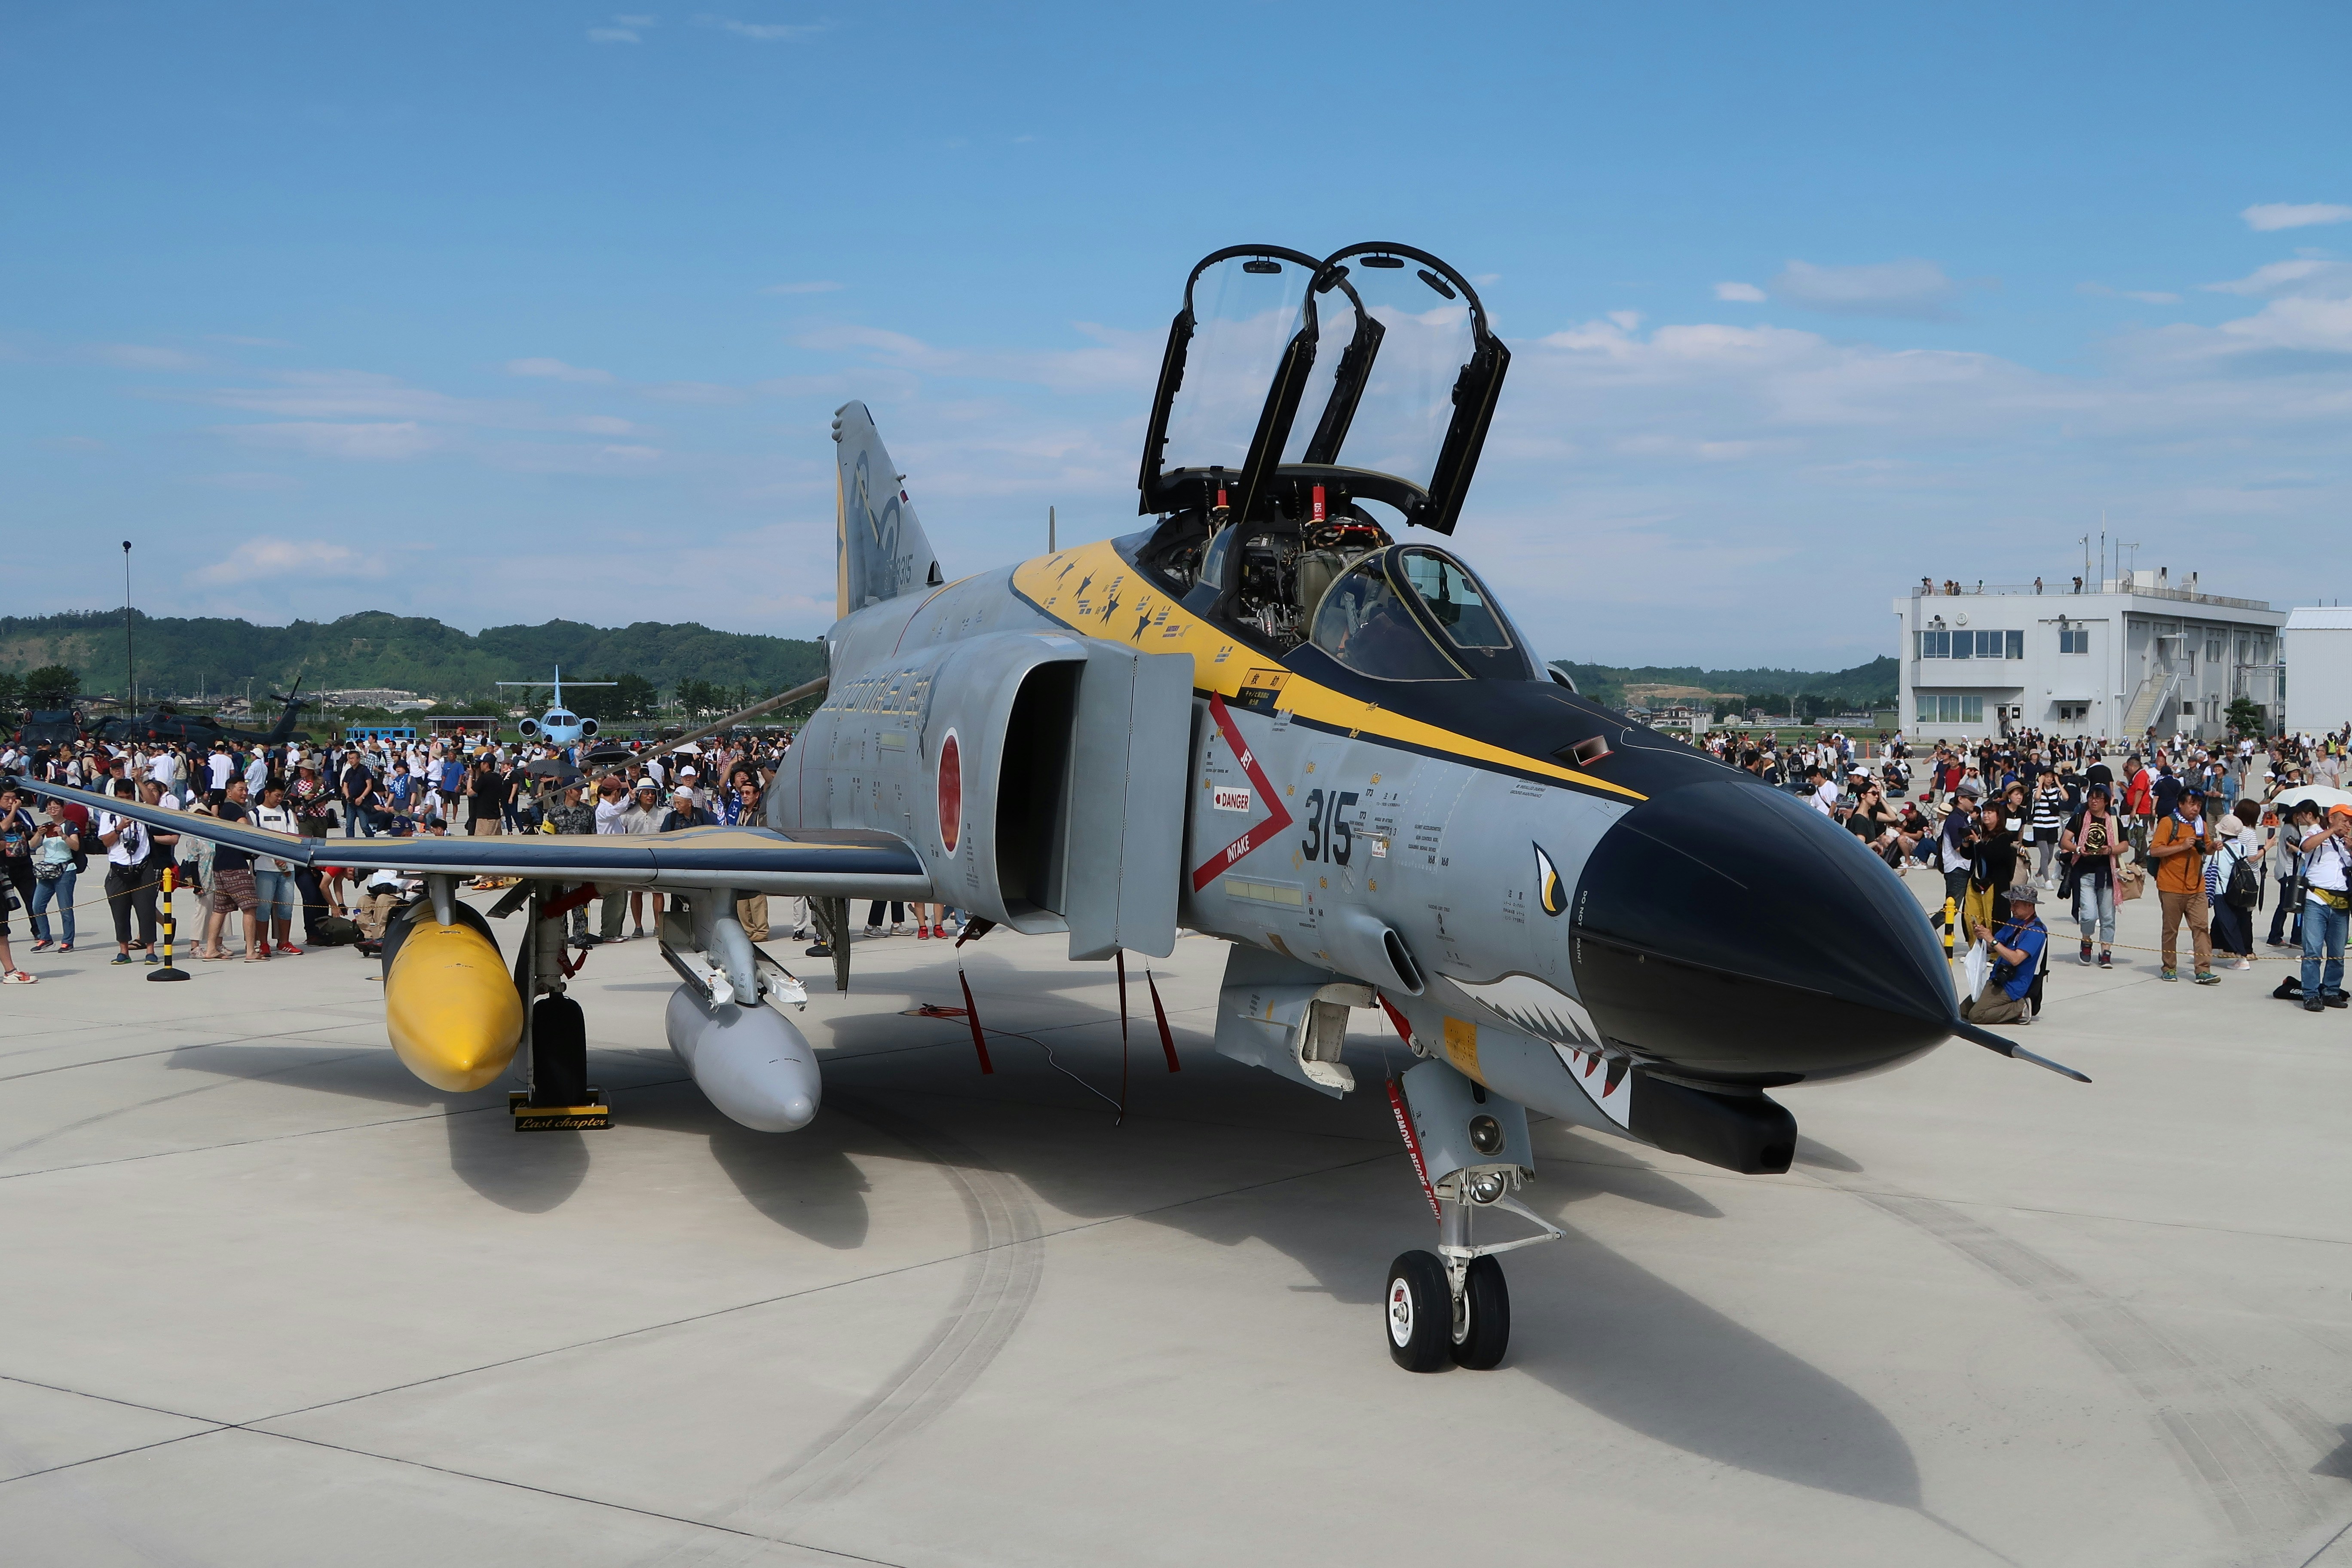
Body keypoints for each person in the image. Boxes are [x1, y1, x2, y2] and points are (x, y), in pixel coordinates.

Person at [2149, 786, 2217, 984]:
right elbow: (2155, 851)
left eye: (2198, 805)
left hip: (2197, 887)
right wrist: (2181, 846)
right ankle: (2169, 967)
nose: (2195, 809)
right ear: (2181, 804)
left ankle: (2203, 969)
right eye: (2191, 804)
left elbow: (2206, 847)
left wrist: (2213, 847)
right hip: (2171, 886)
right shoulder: (2168, 823)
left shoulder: (2201, 825)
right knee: (2171, 930)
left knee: (2202, 928)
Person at [196, 777, 267, 962]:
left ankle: (211, 949)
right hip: (235, 866)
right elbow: (246, 828)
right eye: (241, 790)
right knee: (250, 908)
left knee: (220, 909)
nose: (245, 793)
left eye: (246, 790)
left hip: (220, 865)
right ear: (229, 792)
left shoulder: (224, 809)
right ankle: (251, 951)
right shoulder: (234, 808)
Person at [2059, 782, 2126, 968]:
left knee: (2108, 917)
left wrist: (2110, 850)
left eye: (2098, 798)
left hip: (2106, 874)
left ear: (2106, 801)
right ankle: (2086, 941)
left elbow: (2125, 845)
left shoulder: (2113, 821)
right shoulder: (2080, 818)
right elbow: (2064, 841)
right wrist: (2079, 849)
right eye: (2091, 797)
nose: (2094, 801)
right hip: (2084, 873)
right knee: (2088, 915)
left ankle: (2106, 952)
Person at [1962, 882, 2047, 1026]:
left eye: (2016, 905)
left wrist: (1993, 941)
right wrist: (1983, 936)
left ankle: (2020, 1007)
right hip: (1997, 979)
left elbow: (2016, 959)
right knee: (1961, 1012)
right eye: (2011, 904)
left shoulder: (2036, 931)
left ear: (2029, 905)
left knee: (1977, 1016)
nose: (2012, 909)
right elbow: (1993, 948)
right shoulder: (2014, 922)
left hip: (2013, 984)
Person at [95, 780, 159, 965]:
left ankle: (150, 951)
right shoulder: (108, 814)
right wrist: (119, 828)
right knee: (120, 911)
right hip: (118, 868)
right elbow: (106, 842)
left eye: (128, 797)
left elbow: (153, 802)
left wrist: (139, 780)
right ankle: (124, 951)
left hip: (143, 866)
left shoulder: (141, 809)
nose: (124, 801)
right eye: (120, 798)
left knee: (146, 910)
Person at [2296, 803, 2352, 1012]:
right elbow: (2306, 847)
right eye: (2344, 820)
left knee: (2337, 952)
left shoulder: (2347, 841)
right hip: (2316, 900)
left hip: (2341, 903)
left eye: (2350, 821)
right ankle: (2311, 994)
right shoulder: (2316, 832)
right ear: (2331, 819)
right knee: (2313, 950)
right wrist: (2330, 832)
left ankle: (2331, 991)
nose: (2348, 824)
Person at [250, 778, 303, 956]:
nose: (279, 799)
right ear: (267, 793)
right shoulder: (255, 814)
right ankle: (263, 943)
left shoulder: (287, 813)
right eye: (277, 795)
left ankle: (284, 942)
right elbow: (255, 841)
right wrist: (274, 857)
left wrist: (284, 858)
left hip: (287, 868)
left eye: (282, 796)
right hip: (265, 867)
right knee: (264, 907)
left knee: (286, 906)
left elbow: (293, 837)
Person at [2205, 807, 2258, 972]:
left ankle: (2242, 958)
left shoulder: (2219, 849)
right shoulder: (2241, 847)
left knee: (2227, 923)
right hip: (2237, 891)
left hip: (2222, 891)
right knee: (2233, 922)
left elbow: (2208, 869)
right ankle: (2210, 950)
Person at [28, 800, 81, 953]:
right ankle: (45, 938)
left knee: (65, 908)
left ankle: (67, 941)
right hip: (48, 871)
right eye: (50, 808)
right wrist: (39, 834)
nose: (53, 810)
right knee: (37, 905)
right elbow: (32, 846)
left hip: (66, 870)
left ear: (63, 809)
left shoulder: (71, 826)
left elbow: (76, 846)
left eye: (56, 807)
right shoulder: (46, 826)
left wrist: (63, 835)